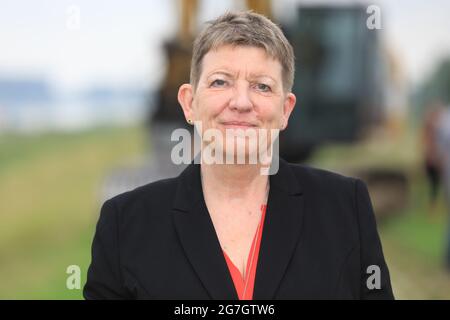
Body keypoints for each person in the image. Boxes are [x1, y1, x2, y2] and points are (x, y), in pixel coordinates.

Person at [84, 11, 394, 299]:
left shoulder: (344, 208)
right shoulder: (125, 225)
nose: (241, 102)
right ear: (189, 103)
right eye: (220, 82)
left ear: (286, 110)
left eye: (262, 86)